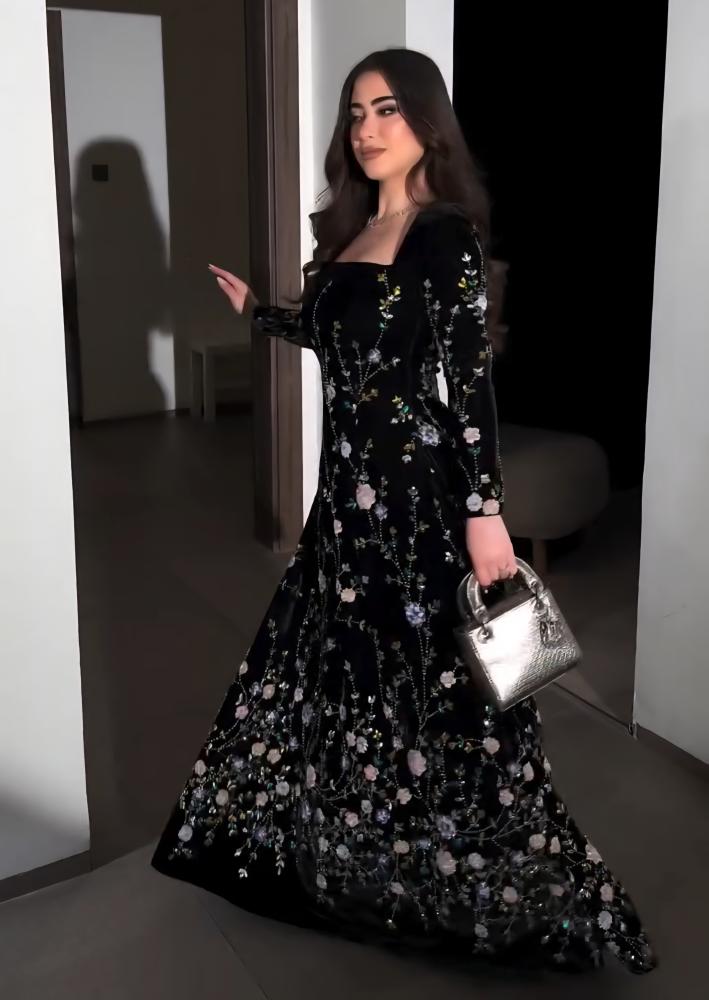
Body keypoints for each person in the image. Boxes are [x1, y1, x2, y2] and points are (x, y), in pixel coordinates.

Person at [150, 47, 658, 978]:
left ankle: (501, 883)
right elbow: (330, 335)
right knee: (340, 673)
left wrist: (483, 511)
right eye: (355, 113)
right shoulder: (352, 233)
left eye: (386, 109)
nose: (366, 129)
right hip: (345, 506)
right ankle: (357, 852)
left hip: (420, 499)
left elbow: (468, 383)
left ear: (427, 121)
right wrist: (261, 312)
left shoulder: (441, 234)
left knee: (443, 687)